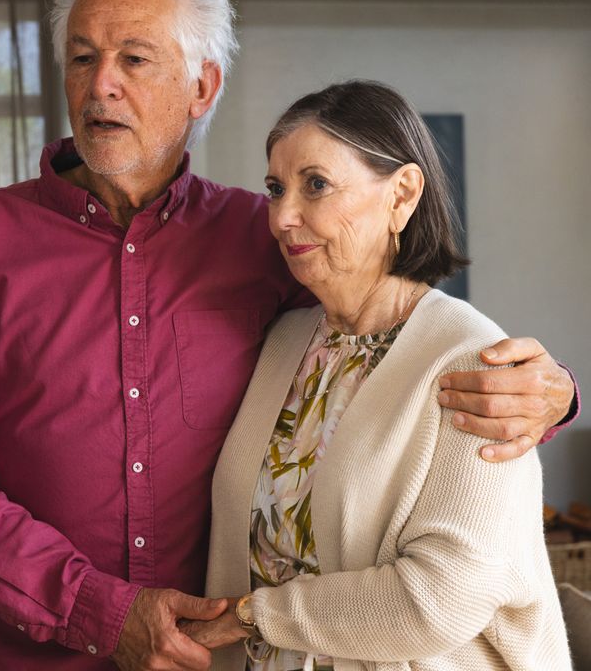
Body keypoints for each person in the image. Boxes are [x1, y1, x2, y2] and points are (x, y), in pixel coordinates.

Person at [0, 0, 578, 670]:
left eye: (134, 58)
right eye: (81, 57)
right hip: (13, 654)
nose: (101, 83)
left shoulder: (263, 240)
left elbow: (394, 322)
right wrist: (98, 611)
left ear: (202, 86)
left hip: (208, 656)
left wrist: (554, 391)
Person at [185, 80, 571, 669]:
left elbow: (438, 600)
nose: (285, 216)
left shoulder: (474, 361)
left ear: (403, 194)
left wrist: (250, 615)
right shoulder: (285, 342)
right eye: (275, 188)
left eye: (316, 185)